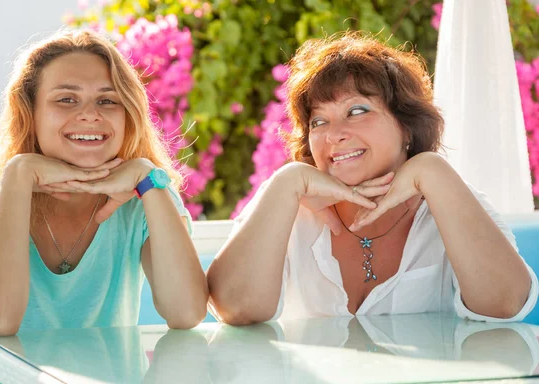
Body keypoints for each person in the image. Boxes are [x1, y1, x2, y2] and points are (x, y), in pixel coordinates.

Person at [207, 32, 538, 324]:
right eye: (318, 122)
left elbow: (505, 305)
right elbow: (235, 309)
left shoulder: (449, 197)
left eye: (357, 111)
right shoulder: (285, 202)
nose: (333, 135)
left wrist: (432, 171)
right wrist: (287, 181)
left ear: (407, 125)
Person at [0, 29, 208, 383]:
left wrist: (148, 176)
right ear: (30, 113)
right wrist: (19, 175)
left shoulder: (145, 192)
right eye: (66, 99)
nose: (90, 115)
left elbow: (186, 312)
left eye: (108, 100)